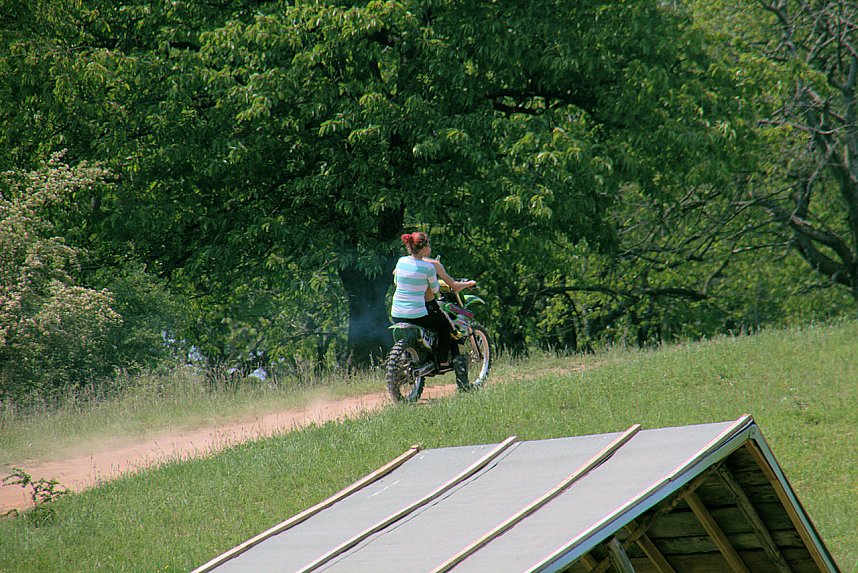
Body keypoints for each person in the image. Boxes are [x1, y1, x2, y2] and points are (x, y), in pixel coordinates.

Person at [391, 231, 475, 389]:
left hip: (397, 313)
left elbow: (397, 281)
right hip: (417, 314)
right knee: (446, 328)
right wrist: (468, 283)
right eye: (428, 244)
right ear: (424, 248)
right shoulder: (428, 268)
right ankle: (444, 362)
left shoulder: (401, 261)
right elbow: (436, 290)